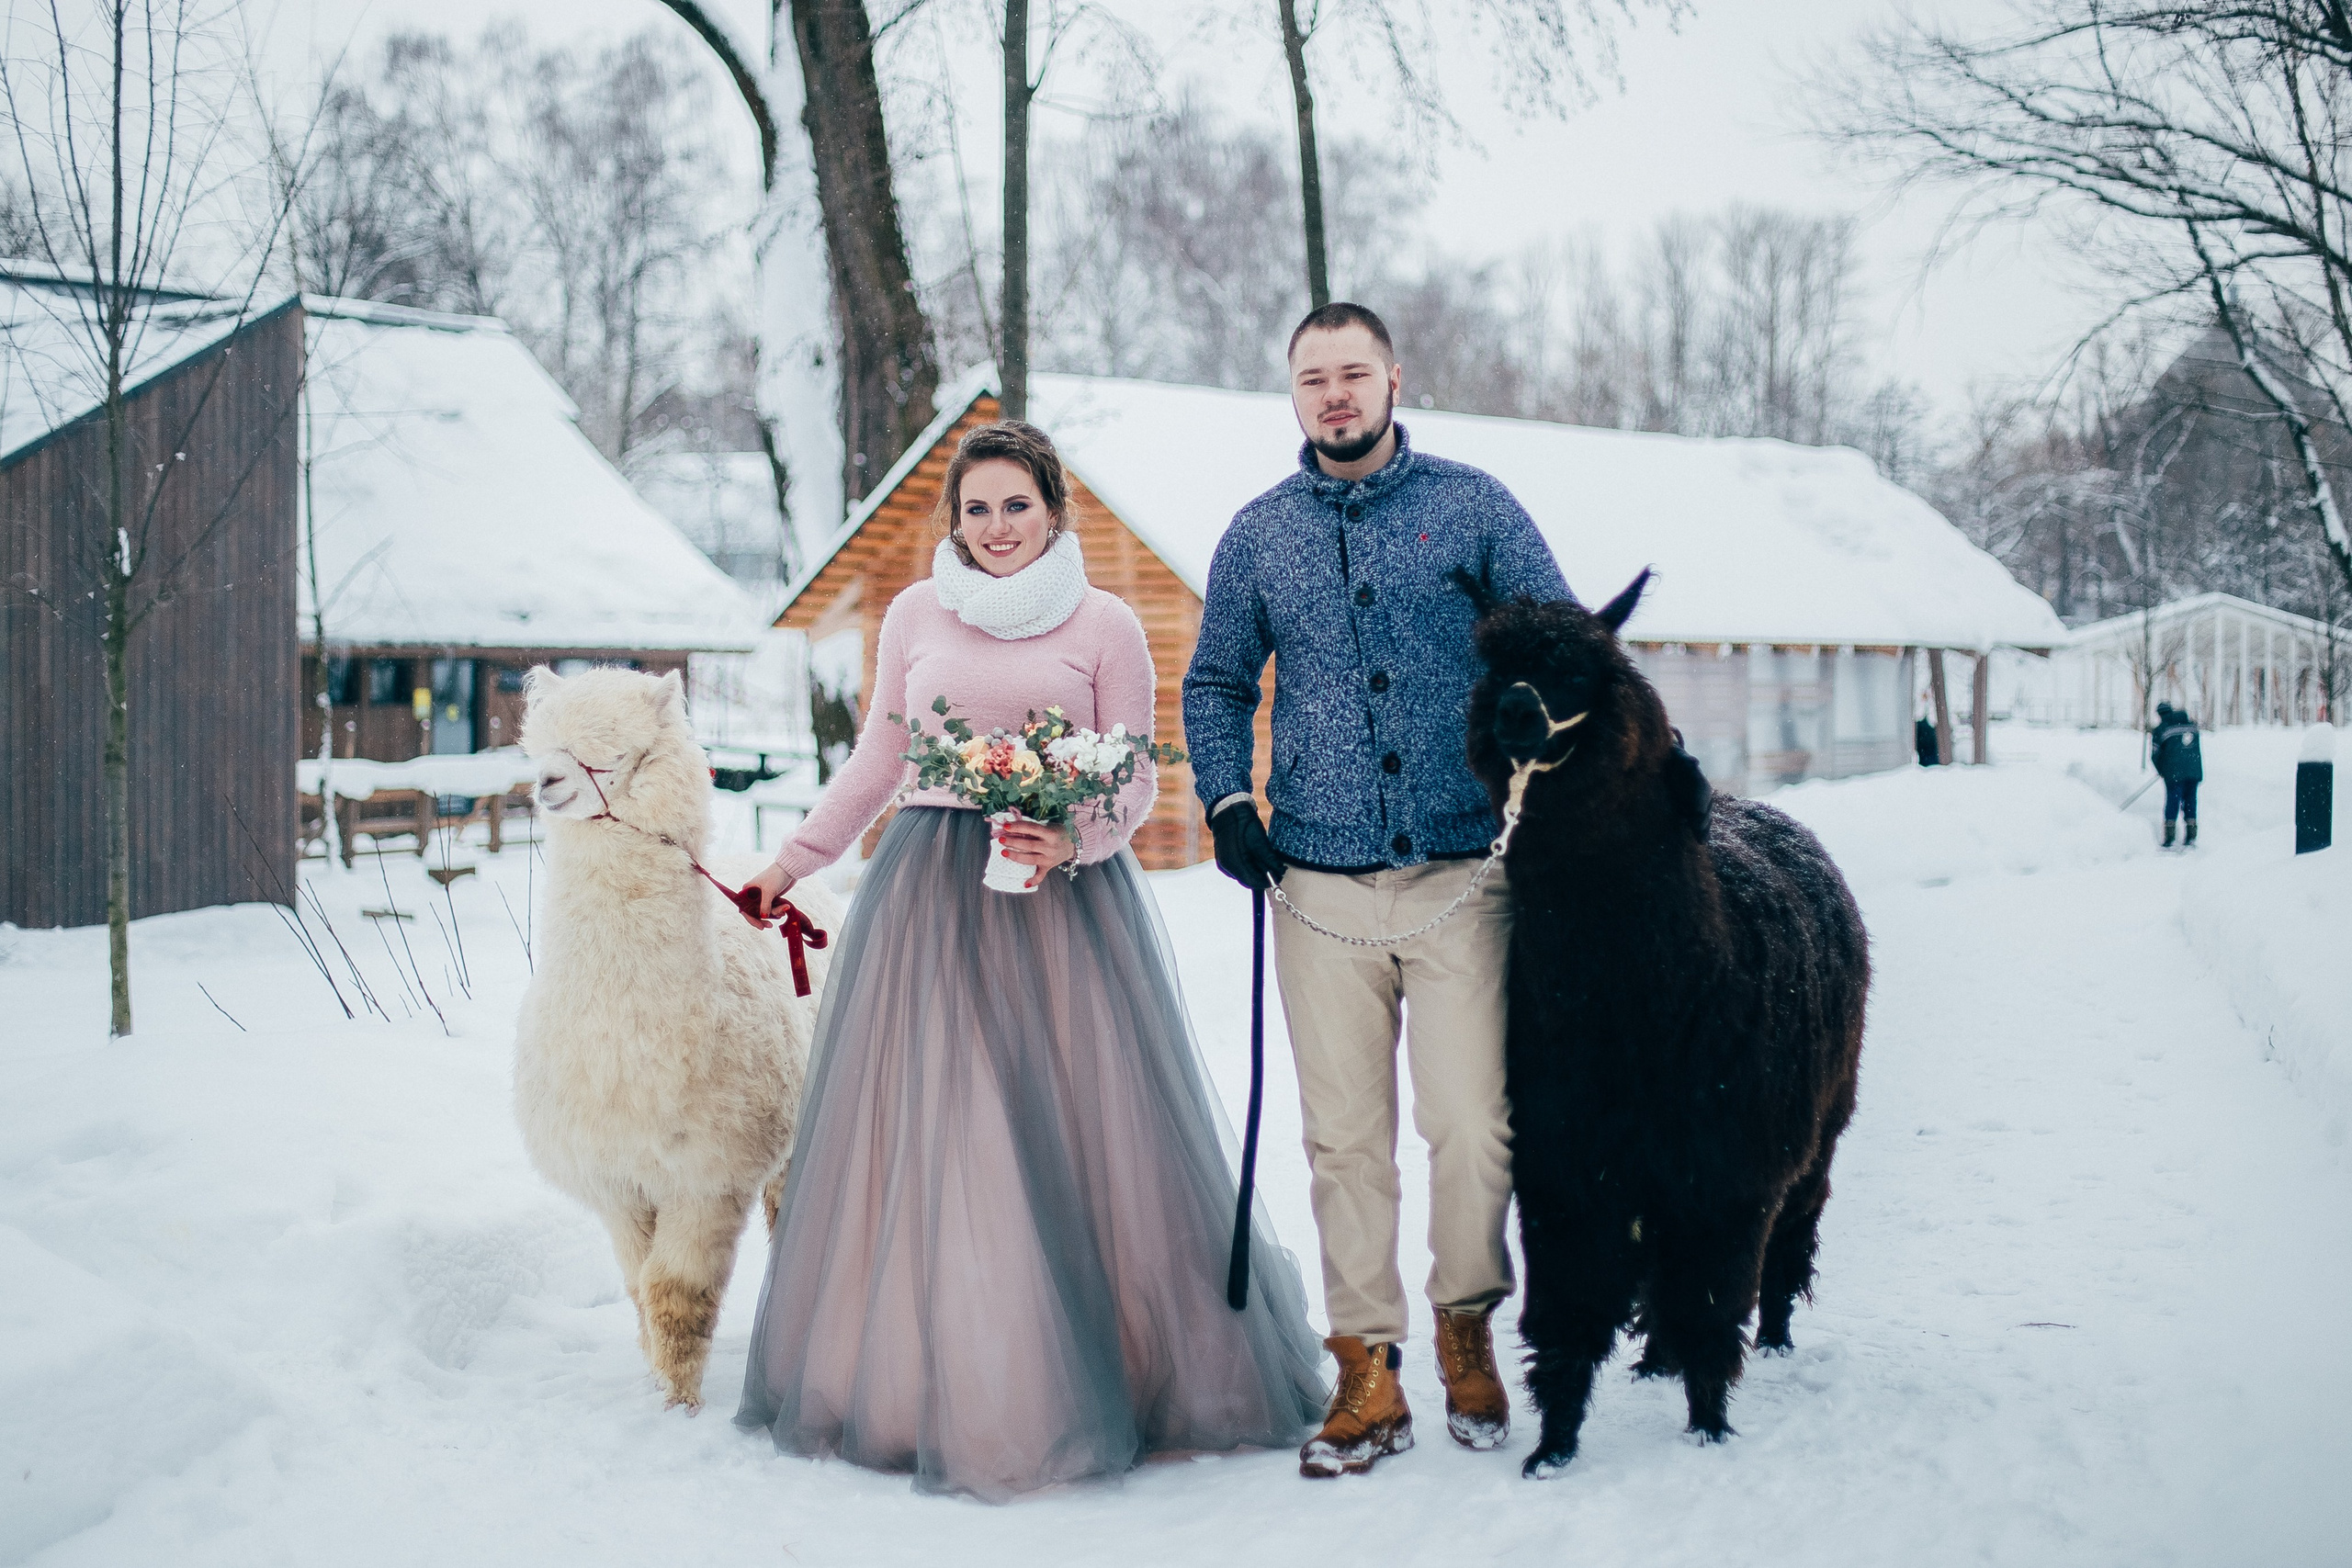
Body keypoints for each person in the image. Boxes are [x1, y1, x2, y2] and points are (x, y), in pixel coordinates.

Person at [734, 422, 1326, 1501]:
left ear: (1053, 509)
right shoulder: (915, 611)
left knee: (1080, 1133)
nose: (995, 527)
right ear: (952, 520)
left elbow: (1136, 777)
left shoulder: (1103, 623)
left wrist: (1075, 838)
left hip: (1061, 902)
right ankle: (931, 1381)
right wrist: (794, 859)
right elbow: (881, 752)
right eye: (976, 509)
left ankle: (1116, 1368)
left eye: (1015, 505)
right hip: (928, 896)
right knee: (947, 1129)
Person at [1182, 302, 1571, 1479]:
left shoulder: (1474, 506)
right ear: (1293, 395)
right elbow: (1213, 683)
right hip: (1319, 887)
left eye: (1354, 372)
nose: (1335, 394)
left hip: (1463, 874)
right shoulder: (1258, 536)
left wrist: (1531, 714)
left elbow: (1558, 640)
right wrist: (1227, 804)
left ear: (1394, 378)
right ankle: (1366, 1367)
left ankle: (1465, 1325)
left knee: (1471, 1125)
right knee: (1344, 1140)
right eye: (1313, 378)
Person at [2151, 701, 2204, 848]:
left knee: (2173, 803)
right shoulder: (2192, 726)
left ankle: (2170, 838)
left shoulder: (2162, 729)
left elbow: (2155, 754)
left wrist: (2162, 769)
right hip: (2193, 772)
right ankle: (2191, 836)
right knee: (2190, 802)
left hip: (2174, 774)